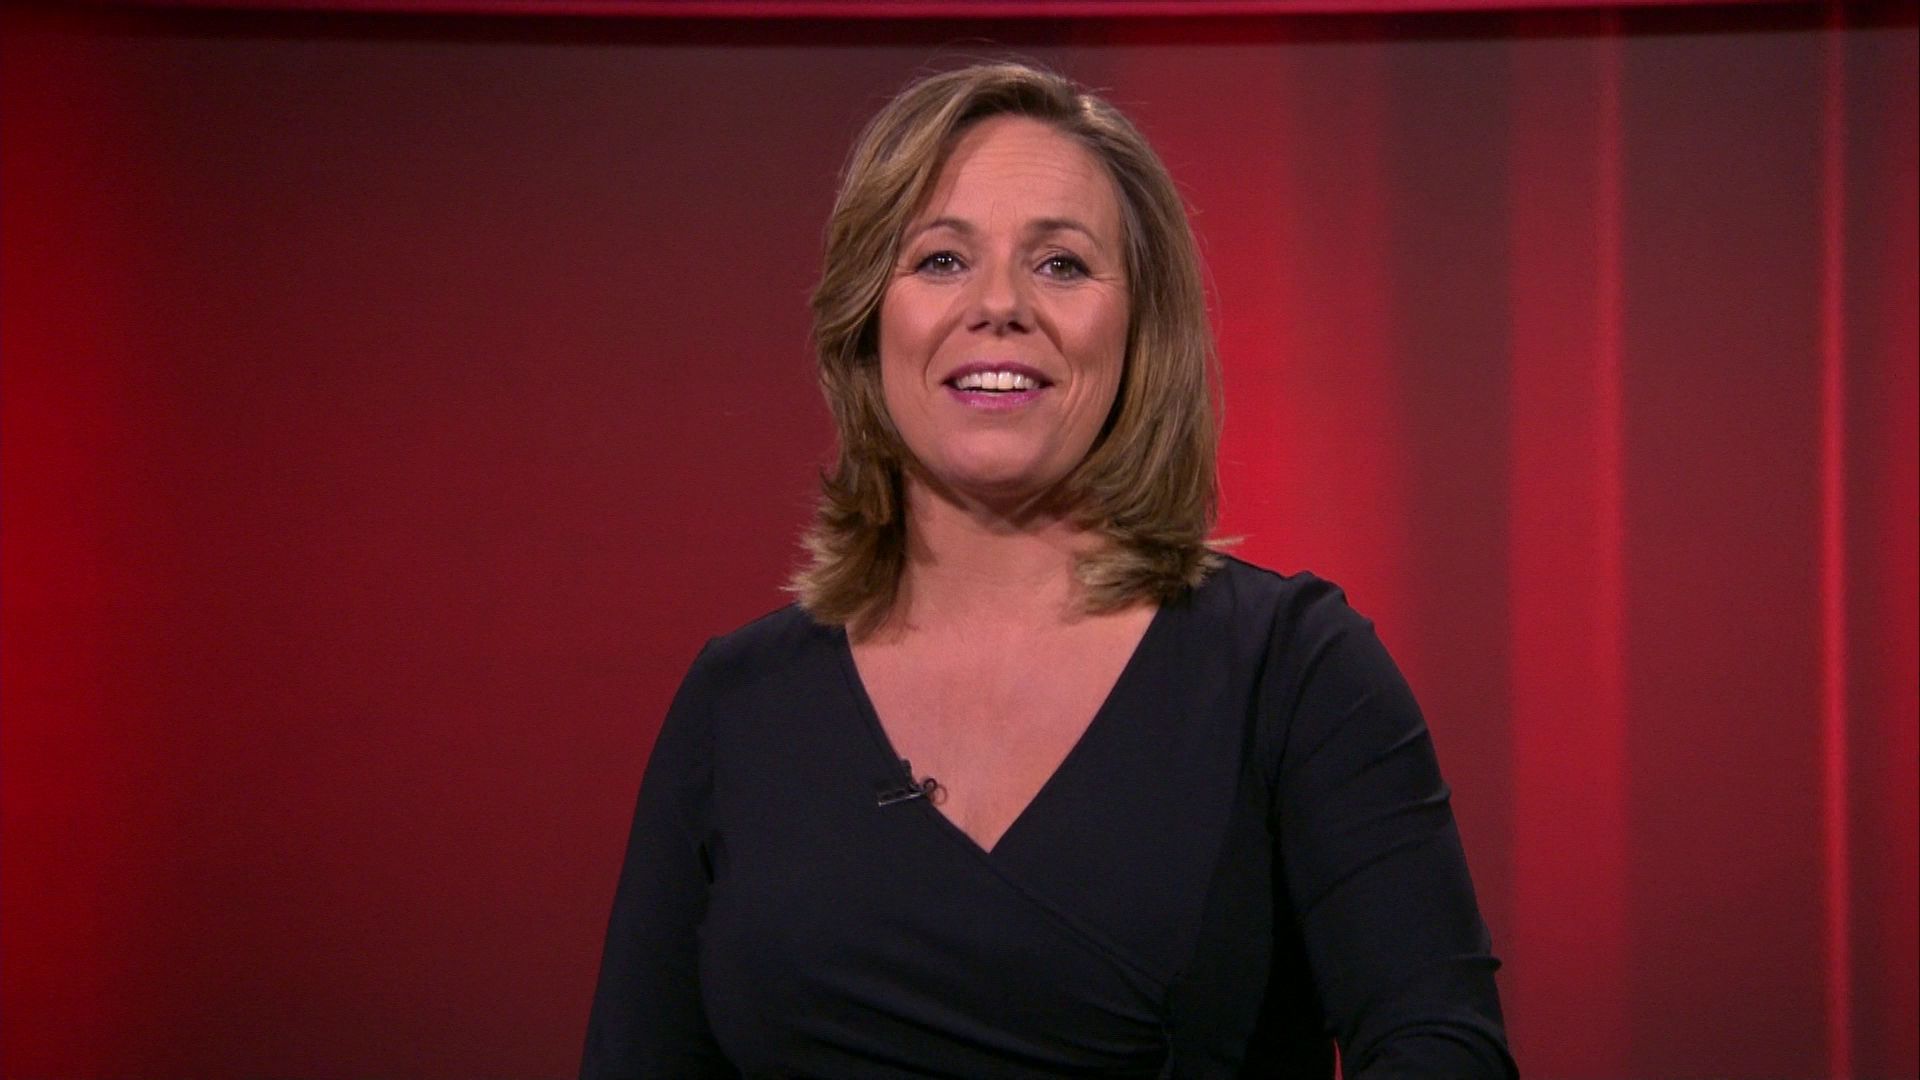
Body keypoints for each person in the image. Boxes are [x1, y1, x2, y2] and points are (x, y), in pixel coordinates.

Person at [582, 60, 1516, 1079]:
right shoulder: (737, 705)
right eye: (941, 259)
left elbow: (1443, 1050)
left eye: (1062, 265)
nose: (999, 305)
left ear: (1140, 330)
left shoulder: (1294, 673)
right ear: (867, 322)